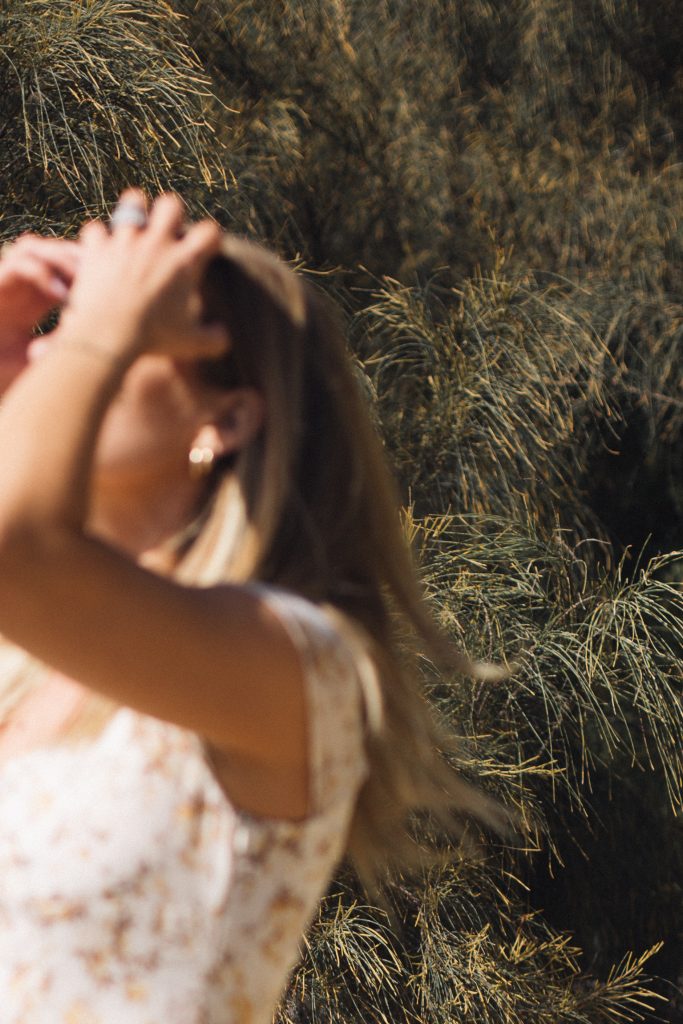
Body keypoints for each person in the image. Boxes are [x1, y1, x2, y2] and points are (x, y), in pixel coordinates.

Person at [0, 191, 501, 1023]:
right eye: (75, 321)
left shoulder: (295, 661)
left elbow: (15, 550)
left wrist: (91, 331)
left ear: (226, 418)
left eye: (131, 324)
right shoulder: (24, 661)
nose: (74, 343)